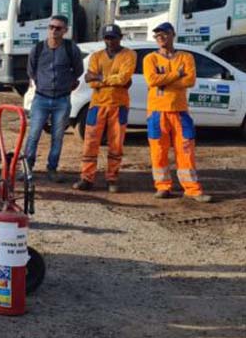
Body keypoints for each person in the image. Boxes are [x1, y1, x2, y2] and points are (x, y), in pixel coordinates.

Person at [143, 22, 212, 203]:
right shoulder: (150, 59)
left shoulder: (186, 57)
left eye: (164, 34)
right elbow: (152, 80)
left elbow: (190, 80)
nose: (160, 37)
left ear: (172, 34)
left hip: (180, 112)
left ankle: (192, 189)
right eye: (157, 35)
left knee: (186, 150)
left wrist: (164, 81)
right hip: (157, 112)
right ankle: (162, 186)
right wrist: (176, 75)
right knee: (158, 151)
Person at [73, 24, 136, 193]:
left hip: (118, 105)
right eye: (107, 38)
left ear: (120, 38)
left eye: (113, 38)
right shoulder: (96, 56)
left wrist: (100, 77)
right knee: (90, 143)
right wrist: (108, 80)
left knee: (116, 144)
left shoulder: (129, 55)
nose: (110, 41)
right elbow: (90, 81)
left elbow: (123, 78)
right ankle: (87, 178)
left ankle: (112, 178)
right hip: (97, 105)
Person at [23, 15, 84, 182]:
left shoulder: (71, 49)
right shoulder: (38, 49)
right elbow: (31, 71)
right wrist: (42, 83)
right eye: (51, 27)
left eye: (58, 28)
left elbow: (78, 70)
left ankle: (52, 169)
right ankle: (28, 169)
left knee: (57, 137)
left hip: (62, 100)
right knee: (33, 135)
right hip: (41, 99)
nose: (53, 31)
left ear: (65, 30)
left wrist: (66, 83)